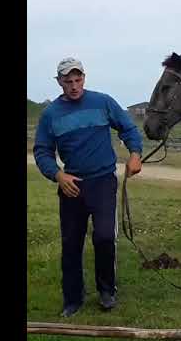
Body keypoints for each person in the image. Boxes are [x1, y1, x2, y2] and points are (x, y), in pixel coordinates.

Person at [33, 57, 143, 317]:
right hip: (72, 185)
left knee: (105, 237)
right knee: (71, 244)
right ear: (59, 82)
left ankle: (107, 291)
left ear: (84, 77)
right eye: (67, 81)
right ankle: (73, 298)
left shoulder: (103, 102)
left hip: (103, 181)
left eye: (77, 79)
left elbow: (128, 128)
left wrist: (135, 153)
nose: (73, 85)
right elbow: (42, 151)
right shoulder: (50, 114)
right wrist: (58, 176)